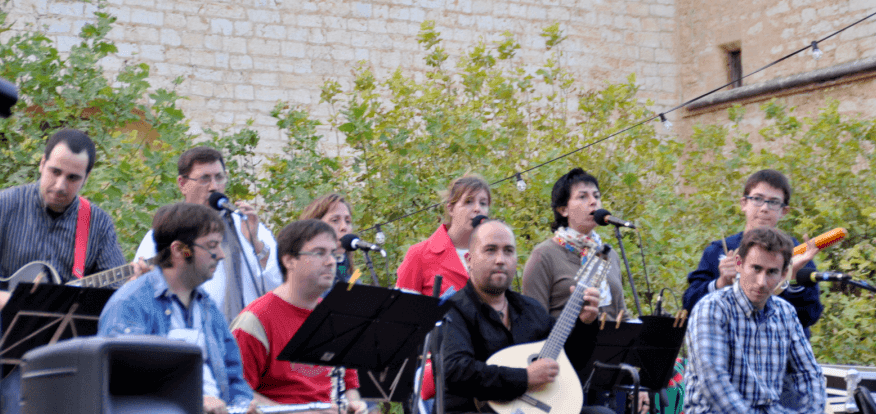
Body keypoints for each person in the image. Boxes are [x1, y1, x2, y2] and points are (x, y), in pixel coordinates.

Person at [0, 129, 127, 414]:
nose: (60, 185)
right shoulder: (4, 206)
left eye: (72, 178)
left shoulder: (97, 223)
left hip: (64, 351)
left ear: (86, 178)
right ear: (42, 163)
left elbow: (115, 293)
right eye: (55, 171)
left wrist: (135, 281)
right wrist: (12, 301)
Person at [97, 203, 258, 414]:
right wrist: (192, 399)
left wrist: (244, 407)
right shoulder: (130, 305)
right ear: (179, 250)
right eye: (211, 245)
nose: (221, 254)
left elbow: (234, 379)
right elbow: (123, 385)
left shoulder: (209, 308)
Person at [442, 219, 614, 414]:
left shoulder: (530, 309)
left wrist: (585, 324)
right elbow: (456, 372)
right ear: (469, 260)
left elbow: (567, 363)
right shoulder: (452, 310)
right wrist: (524, 377)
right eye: (490, 250)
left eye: (508, 251)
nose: (500, 259)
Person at [683, 227, 826, 413]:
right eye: (756, 268)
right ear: (739, 264)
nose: (761, 282)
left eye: (771, 272)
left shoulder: (785, 313)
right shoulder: (712, 308)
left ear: (784, 274)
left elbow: (809, 374)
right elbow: (714, 382)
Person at [230, 220, 367, 414]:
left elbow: (349, 385)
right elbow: (237, 394)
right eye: (319, 253)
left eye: (333, 254)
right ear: (289, 261)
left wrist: (355, 404)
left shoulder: (335, 318)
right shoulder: (255, 321)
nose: (330, 262)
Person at [134, 146, 281, 323]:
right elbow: (143, 292)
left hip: (248, 338)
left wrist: (256, 243)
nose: (214, 186)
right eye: (205, 179)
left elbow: (279, 284)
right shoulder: (164, 233)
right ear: (182, 184)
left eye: (219, 177)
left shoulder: (247, 224)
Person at [682, 169, 822, 335]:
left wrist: (791, 281)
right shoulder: (719, 250)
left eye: (774, 202)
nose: (764, 208)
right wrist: (721, 283)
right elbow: (689, 306)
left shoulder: (797, 254)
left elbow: (809, 316)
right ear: (744, 204)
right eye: (757, 199)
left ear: (783, 211)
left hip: (781, 353)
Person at [522, 168, 628, 320]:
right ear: (563, 210)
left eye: (596, 196)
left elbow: (621, 315)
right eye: (583, 196)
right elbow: (535, 324)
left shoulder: (609, 254)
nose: (593, 202)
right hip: (565, 342)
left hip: (613, 343)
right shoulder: (543, 256)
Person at [397, 175, 491, 296]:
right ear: (451, 209)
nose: (477, 208)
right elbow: (401, 312)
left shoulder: (494, 254)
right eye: (468, 201)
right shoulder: (419, 255)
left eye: (483, 203)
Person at [300, 193, 357, 294]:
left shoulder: (347, 271)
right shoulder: (302, 275)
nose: (344, 227)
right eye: (335, 220)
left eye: (348, 221)